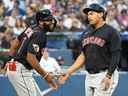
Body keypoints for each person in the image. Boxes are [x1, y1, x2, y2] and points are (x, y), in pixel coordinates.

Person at [59, 3, 121, 96]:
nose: (88, 16)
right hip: (89, 75)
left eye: (91, 13)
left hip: (104, 73)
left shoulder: (111, 32)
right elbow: (83, 55)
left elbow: (116, 55)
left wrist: (109, 75)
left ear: (100, 14)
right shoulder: (86, 32)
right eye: (88, 14)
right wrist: (68, 72)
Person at [6, 9, 58, 96]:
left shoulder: (32, 27)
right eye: (48, 20)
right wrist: (46, 76)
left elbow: (16, 42)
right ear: (41, 22)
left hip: (16, 66)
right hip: (21, 69)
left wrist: (9, 60)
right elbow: (30, 58)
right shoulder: (40, 34)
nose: (51, 22)